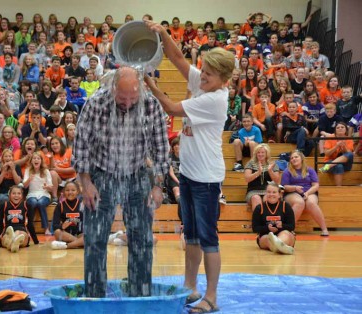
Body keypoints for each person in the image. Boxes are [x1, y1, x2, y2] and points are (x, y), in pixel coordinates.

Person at [144, 20, 236, 312]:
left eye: (208, 74)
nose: (202, 76)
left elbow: (171, 108)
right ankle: (190, 286)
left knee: (208, 238)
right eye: (203, 71)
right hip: (188, 173)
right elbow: (177, 58)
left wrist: (152, 85)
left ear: (223, 79)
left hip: (206, 178)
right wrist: (162, 32)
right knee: (192, 234)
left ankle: (211, 297)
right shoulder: (206, 83)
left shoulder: (215, 99)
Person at [74, 65, 168, 297]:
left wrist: (157, 185)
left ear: (141, 91)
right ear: (113, 87)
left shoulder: (151, 105)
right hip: (101, 174)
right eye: (122, 98)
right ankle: (94, 295)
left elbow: (161, 149)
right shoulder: (96, 102)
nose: (127, 104)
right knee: (95, 239)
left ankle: (140, 293)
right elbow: (81, 145)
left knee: (142, 239)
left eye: (132, 98)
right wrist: (86, 183)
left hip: (137, 174)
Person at [281, 150, 329, 236]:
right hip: (292, 192)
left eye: (296, 157)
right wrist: (295, 187)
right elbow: (285, 187)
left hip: (308, 191)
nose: (294, 159)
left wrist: (307, 193)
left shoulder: (310, 170)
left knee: (311, 203)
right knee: (299, 202)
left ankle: (324, 229)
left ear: (301, 158)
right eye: (292, 158)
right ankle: (289, 229)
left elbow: (316, 186)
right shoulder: (287, 171)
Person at [0, 185, 39, 253]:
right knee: (6, 238)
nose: (16, 195)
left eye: (19, 193)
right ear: (9, 195)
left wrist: (36, 241)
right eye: (13, 193)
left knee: (20, 234)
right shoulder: (3, 205)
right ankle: (13, 243)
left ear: (22, 195)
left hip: (22, 230)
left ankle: (13, 241)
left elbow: (30, 224)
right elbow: (0, 224)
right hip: (7, 231)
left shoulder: (27, 205)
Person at [252, 182, 295, 255]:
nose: (271, 194)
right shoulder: (259, 208)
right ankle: (280, 247)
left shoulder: (286, 206)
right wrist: (267, 228)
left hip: (282, 233)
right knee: (268, 238)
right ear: (266, 193)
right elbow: (255, 228)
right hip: (266, 235)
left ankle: (278, 244)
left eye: (274, 192)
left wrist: (282, 226)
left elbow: (292, 226)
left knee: (286, 234)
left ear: (279, 194)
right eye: (269, 192)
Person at [22, 152, 54, 235]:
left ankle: (46, 228)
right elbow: (24, 186)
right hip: (32, 194)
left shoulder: (46, 171)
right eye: (34, 158)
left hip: (44, 194)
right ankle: (29, 228)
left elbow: (51, 187)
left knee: (40, 203)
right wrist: (29, 179)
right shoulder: (28, 170)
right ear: (31, 161)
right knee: (32, 203)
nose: (36, 160)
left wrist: (47, 187)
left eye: (38, 158)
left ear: (41, 161)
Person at [244, 144, 280, 212]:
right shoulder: (250, 163)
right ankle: (257, 222)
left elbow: (276, 181)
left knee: (268, 198)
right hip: (253, 191)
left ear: (266, 154)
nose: (260, 154)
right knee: (256, 198)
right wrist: (258, 172)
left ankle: (269, 221)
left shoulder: (272, 164)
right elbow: (247, 179)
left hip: (269, 191)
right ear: (256, 154)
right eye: (258, 152)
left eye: (262, 152)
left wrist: (270, 171)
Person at [51, 181, 84, 250]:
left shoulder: (82, 205)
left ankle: (67, 246)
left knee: (88, 236)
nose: (70, 192)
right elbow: (55, 225)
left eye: (73, 190)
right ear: (63, 192)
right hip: (66, 235)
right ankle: (80, 243)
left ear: (77, 192)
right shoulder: (60, 206)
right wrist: (62, 226)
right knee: (57, 232)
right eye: (67, 190)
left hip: (80, 234)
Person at [319, 122, 354, 186]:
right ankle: (339, 189)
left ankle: (327, 167)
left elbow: (349, 154)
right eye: (338, 128)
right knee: (338, 166)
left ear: (346, 129)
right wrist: (336, 146)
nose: (340, 128)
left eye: (342, 127)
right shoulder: (330, 137)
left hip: (345, 165)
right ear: (335, 130)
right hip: (330, 160)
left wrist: (344, 147)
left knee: (350, 154)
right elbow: (327, 154)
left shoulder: (349, 139)